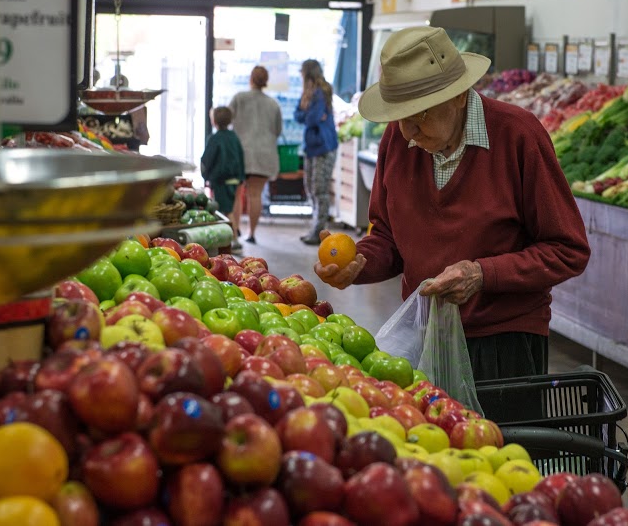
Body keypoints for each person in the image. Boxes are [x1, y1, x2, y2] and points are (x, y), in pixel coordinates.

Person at [313, 26, 590, 380]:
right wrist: (359, 262)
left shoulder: (518, 136)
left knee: (500, 437)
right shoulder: (397, 142)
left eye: (419, 115)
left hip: (504, 344)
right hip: (424, 336)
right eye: (399, 117)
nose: (407, 132)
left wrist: (482, 274)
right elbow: (388, 238)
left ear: (460, 96)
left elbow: (568, 249)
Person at [229, 65, 283, 245]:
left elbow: (226, 121)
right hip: (264, 155)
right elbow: (277, 130)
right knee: (255, 195)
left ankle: (235, 229)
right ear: (266, 81)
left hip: (240, 153)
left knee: (237, 194)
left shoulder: (239, 98)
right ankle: (251, 233)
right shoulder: (273, 104)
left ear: (250, 79)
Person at [294, 59, 339, 246]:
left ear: (307, 73)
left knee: (319, 189)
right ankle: (315, 227)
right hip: (312, 147)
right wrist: (309, 115)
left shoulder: (321, 92)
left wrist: (309, 115)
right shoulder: (308, 93)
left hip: (324, 146)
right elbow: (298, 115)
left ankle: (319, 230)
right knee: (310, 187)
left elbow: (311, 118)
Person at [201, 106, 245, 249]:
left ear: (214, 121)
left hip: (221, 181)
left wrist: (206, 176)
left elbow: (207, 160)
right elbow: (241, 157)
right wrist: (241, 178)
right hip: (234, 180)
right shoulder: (234, 137)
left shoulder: (215, 139)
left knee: (225, 212)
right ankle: (232, 238)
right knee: (229, 209)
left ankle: (234, 241)